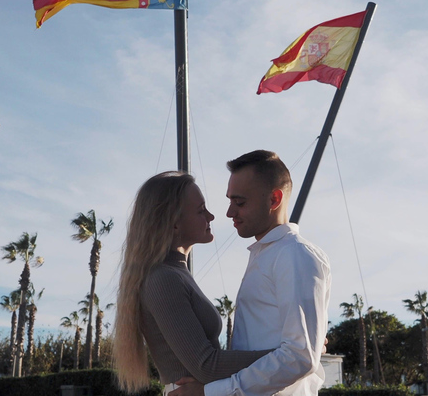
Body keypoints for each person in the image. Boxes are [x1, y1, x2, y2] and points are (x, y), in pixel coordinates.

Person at [172, 149, 332, 396]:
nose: (229, 212)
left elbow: (300, 356)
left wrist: (210, 393)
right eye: (230, 201)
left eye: (240, 202)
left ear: (274, 200)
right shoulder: (268, 255)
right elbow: (301, 350)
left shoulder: (294, 255)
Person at [112, 172, 272, 394]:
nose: (211, 216)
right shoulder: (163, 279)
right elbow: (207, 366)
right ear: (174, 224)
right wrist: (291, 355)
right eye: (201, 210)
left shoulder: (174, 273)